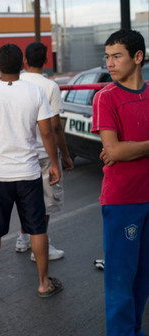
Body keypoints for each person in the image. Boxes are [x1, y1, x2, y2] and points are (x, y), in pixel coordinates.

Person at [0, 44, 63, 307]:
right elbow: (47, 133)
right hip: (29, 173)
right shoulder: (35, 91)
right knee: (36, 228)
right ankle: (44, 283)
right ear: (22, 65)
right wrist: (54, 162)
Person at [91, 29, 149, 336]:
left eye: (117, 56)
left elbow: (121, 150)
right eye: (107, 57)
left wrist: (130, 149)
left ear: (137, 57)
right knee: (120, 281)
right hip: (122, 201)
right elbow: (112, 150)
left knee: (144, 278)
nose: (110, 63)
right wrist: (119, 151)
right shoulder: (105, 97)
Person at [17, 42, 74, 261]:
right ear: (46, 61)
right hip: (43, 153)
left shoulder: (16, 81)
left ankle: (24, 238)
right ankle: (41, 245)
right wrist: (65, 155)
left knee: (26, 199)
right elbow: (55, 127)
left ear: (25, 61)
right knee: (46, 203)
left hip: (22, 151)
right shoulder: (50, 86)